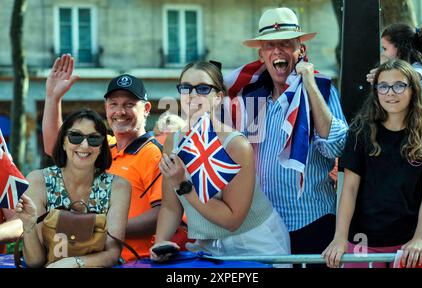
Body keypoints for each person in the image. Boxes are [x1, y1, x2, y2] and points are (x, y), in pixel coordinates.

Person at [235, 7, 348, 258]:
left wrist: (309, 84)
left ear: (301, 50)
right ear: (261, 54)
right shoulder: (251, 97)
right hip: (263, 226)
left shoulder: (322, 89)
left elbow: (336, 147)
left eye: (286, 44)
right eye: (270, 46)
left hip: (312, 223)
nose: (278, 51)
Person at [150, 61, 291, 262]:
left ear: (218, 98)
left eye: (203, 88)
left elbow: (232, 219)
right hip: (208, 247)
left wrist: (183, 185)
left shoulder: (236, 144)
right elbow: (170, 206)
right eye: (186, 87)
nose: (192, 94)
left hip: (255, 244)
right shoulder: (174, 140)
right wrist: (161, 242)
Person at [41, 55, 164, 261]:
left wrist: (102, 228)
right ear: (106, 107)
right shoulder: (104, 145)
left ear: (147, 109)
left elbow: (164, 213)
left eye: (129, 104)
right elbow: (55, 145)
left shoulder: (153, 153)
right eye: (113, 104)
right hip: (92, 256)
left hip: (135, 261)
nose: (120, 111)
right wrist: (53, 98)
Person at [322, 60, 422, 268]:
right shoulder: (360, 131)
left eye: (399, 85)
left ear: (413, 89)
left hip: (408, 242)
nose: (390, 93)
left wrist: (420, 238)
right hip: (364, 240)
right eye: (383, 86)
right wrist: (340, 238)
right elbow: (349, 189)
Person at [15, 108, 131, 268]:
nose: (84, 145)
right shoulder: (38, 181)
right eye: (75, 136)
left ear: (101, 147)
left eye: (94, 139)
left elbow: (112, 254)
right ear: (63, 141)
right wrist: (28, 225)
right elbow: (35, 262)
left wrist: (74, 263)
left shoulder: (119, 186)